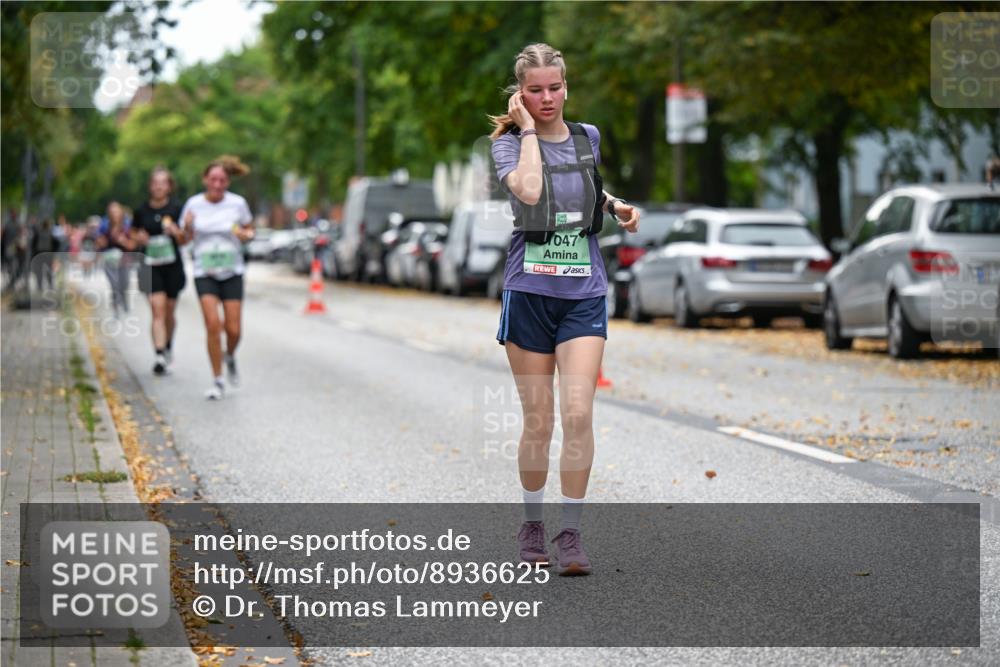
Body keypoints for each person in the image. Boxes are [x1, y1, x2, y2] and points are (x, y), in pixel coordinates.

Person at [489, 43, 640, 576]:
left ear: (566, 87)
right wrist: (527, 129)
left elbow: (582, 188)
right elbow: (531, 190)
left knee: (578, 414)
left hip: (583, 291)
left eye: (554, 87)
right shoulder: (509, 146)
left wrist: (614, 205)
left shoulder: (588, 137)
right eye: (535, 90)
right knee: (540, 421)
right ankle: (532, 523)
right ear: (520, 95)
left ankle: (570, 534)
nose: (547, 97)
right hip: (529, 292)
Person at [180, 155, 255, 400]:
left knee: (233, 329)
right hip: (205, 272)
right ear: (205, 180)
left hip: (232, 271)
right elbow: (182, 240)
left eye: (222, 180)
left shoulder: (237, 204)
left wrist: (245, 235)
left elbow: (250, 229)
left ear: (228, 182)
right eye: (213, 179)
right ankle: (217, 379)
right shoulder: (193, 205)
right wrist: (188, 227)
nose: (217, 184)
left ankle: (230, 355)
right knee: (213, 325)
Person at [131, 166, 187, 376]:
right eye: (155, 183)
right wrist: (139, 239)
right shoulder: (141, 211)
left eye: (163, 183)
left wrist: (176, 232)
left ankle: (168, 345)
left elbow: (184, 240)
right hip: (149, 265)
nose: (159, 187)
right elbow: (134, 236)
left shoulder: (177, 209)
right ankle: (159, 356)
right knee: (157, 310)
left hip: (172, 266)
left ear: (169, 187)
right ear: (150, 186)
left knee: (169, 313)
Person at [96, 202, 137, 317]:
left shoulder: (128, 225)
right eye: (112, 212)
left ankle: (124, 300)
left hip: (124, 259)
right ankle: (115, 309)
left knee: (124, 283)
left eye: (116, 211)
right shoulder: (104, 225)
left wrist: (122, 241)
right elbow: (98, 243)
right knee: (114, 285)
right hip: (109, 260)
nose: (114, 214)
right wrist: (100, 243)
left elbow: (133, 245)